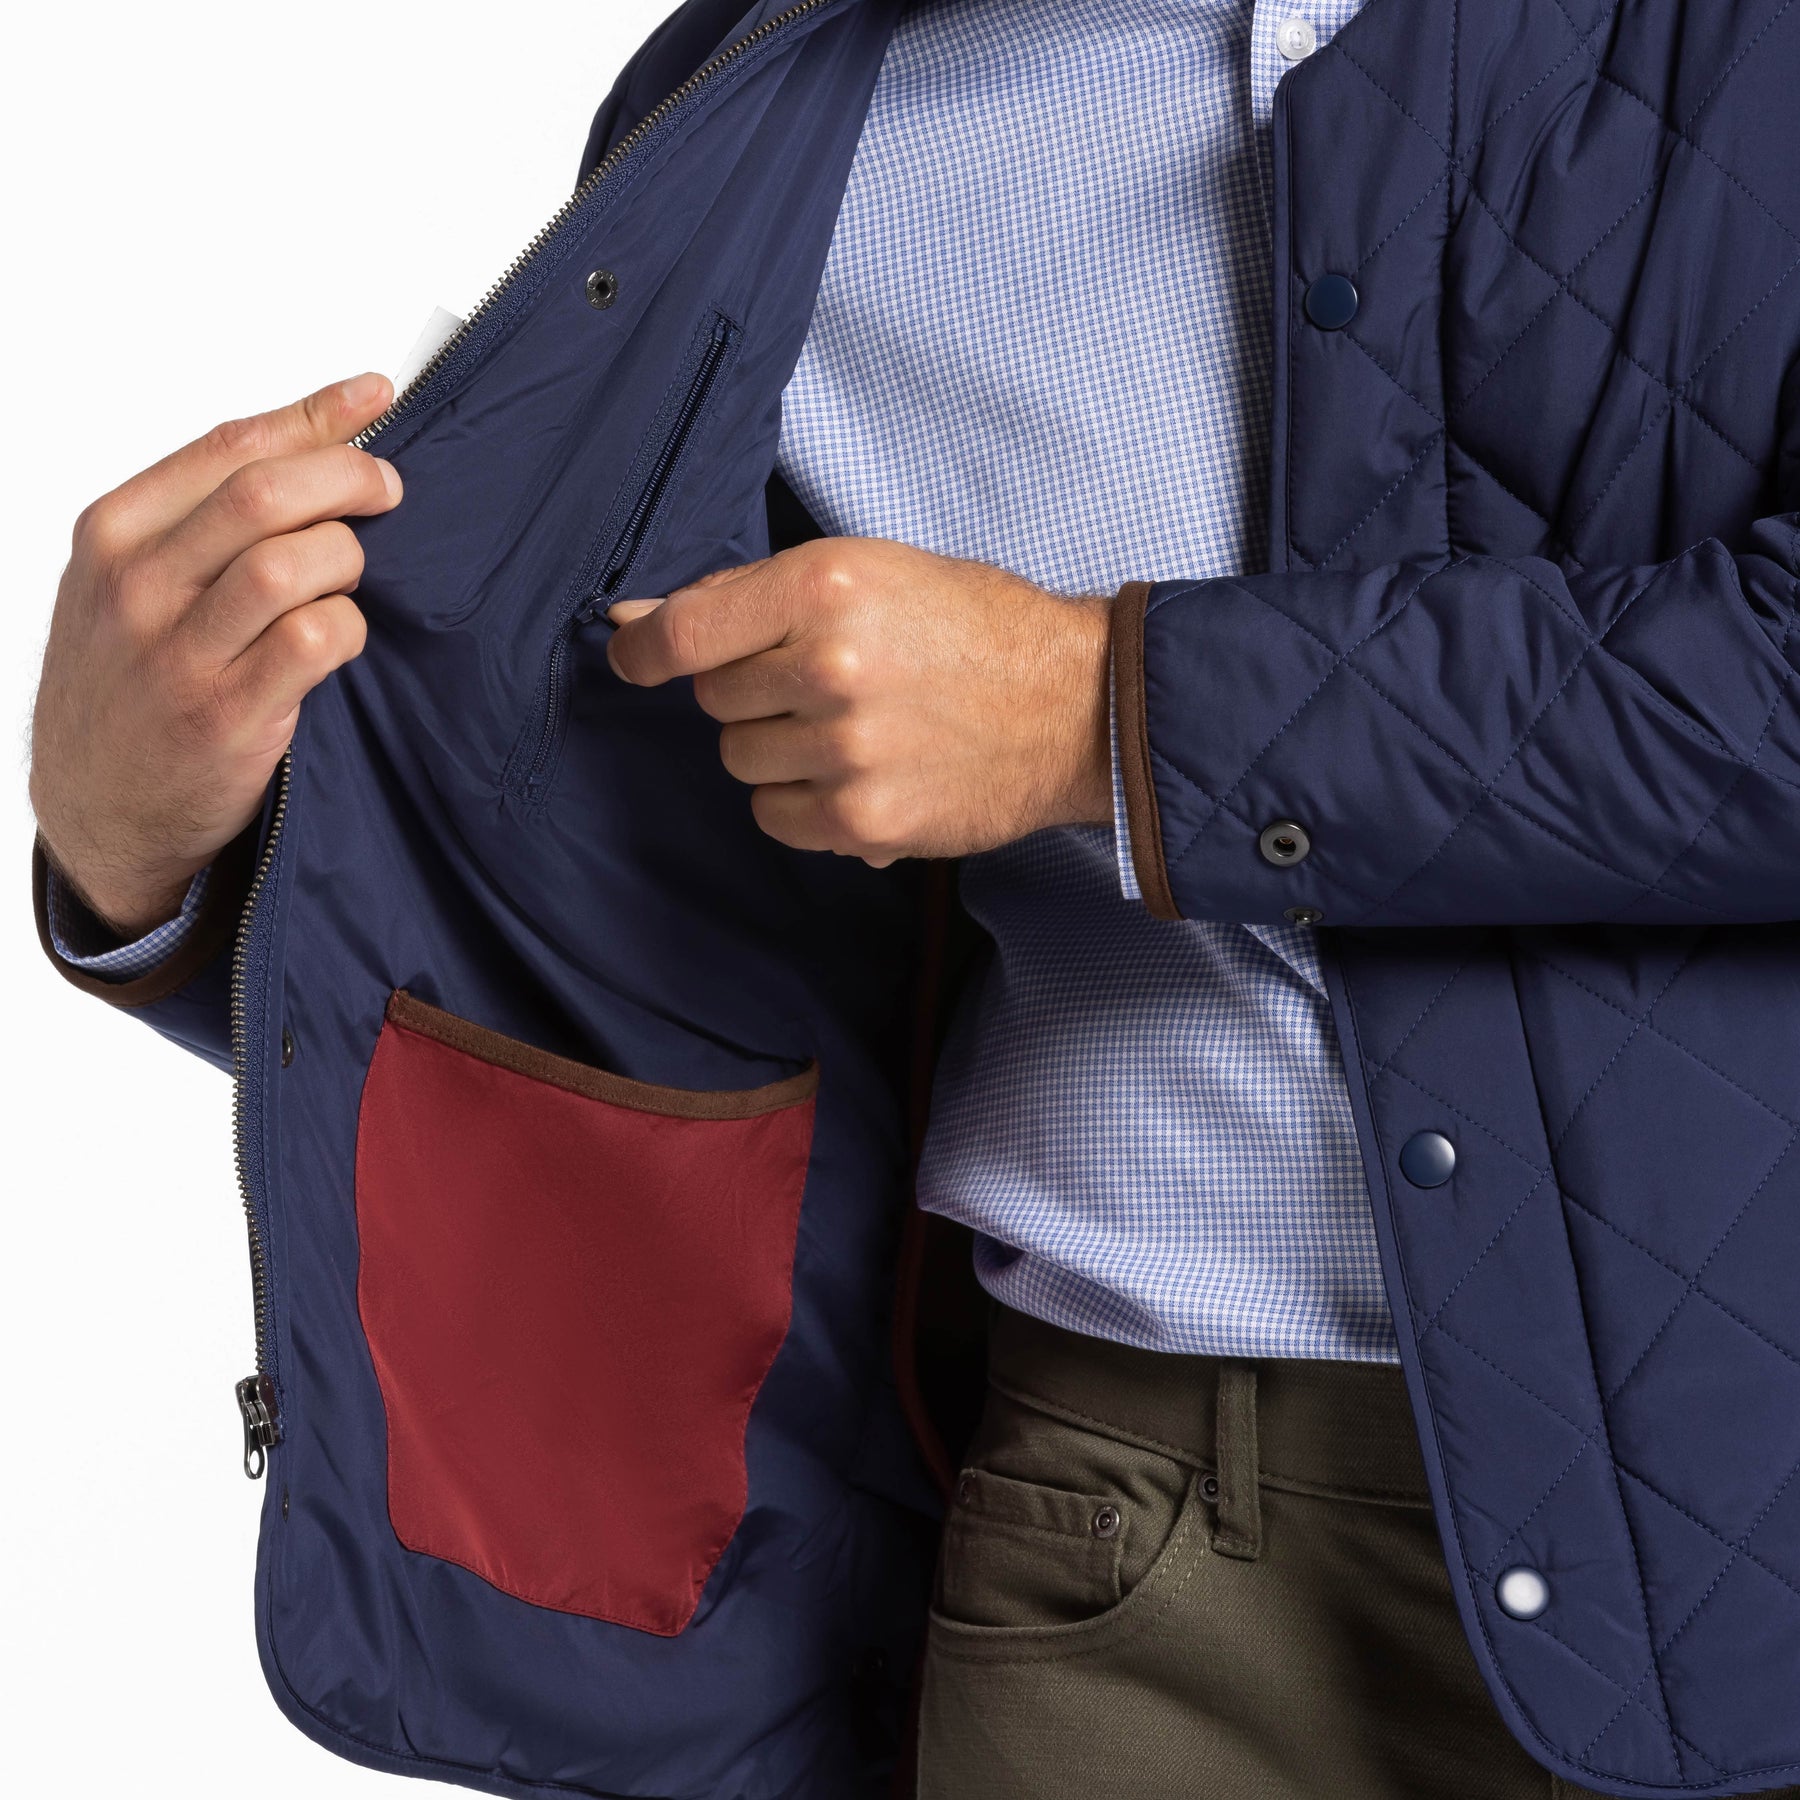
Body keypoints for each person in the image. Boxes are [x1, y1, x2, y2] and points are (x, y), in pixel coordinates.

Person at [27, 1, 1800, 1796]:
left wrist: (1104, 710)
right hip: (1117, 1535)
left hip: (1750, 1498)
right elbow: (626, 892)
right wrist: (150, 853)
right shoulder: (765, 113)